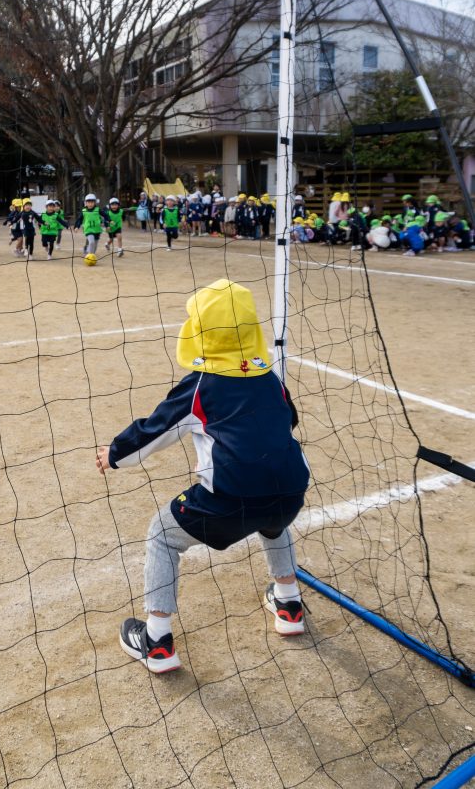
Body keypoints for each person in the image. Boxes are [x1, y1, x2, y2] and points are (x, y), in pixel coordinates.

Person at [96, 279, 309, 673]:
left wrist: (114, 455)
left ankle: (156, 641)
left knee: (162, 533)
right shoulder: (271, 379)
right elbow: (289, 421)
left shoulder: (201, 386)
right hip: (291, 492)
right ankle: (289, 603)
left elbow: (153, 431)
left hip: (229, 502)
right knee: (273, 516)